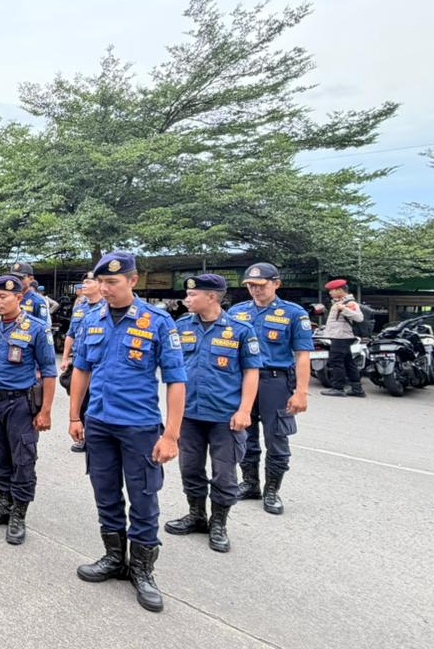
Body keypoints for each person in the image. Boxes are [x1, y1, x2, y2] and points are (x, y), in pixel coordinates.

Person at [69, 251, 186, 613]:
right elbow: (81, 370)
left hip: (139, 427)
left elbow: (176, 380)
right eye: (101, 282)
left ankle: (142, 569)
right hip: (100, 424)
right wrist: (75, 416)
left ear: (133, 281)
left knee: (144, 498)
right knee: (105, 493)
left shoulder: (158, 321)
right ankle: (114, 557)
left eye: (113, 283)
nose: (104, 289)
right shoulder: (92, 319)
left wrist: (171, 436)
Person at [164, 275, 261, 554]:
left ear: (212, 297)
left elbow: (251, 372)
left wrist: (244, 410)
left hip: (224, 415)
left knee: (224, 474)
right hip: (189, 414)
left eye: (193, 295)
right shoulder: (181, 326)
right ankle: (196, 515)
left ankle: (219, 523)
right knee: (190, 468)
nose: (187, 299)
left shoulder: (240, 330)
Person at [0, 274, 57, 545]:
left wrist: (45, 411)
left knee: (22, 459)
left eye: (3, 297)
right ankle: (4, 504)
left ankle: (19, 514)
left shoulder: (36, 328)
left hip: (20, 404)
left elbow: (48, 372)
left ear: (19, 298)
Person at [228, 262, 313, 516]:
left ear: (276, 284)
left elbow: (302, 355)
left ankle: (272, 490)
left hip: (275, 381)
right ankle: (250, 483)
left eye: (261, 285)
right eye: (251, 286)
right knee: (245, 434)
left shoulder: (294, 314)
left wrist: (301, 391)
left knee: (276, 438)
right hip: (243, 382)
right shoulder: (237, 312)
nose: (255, 290)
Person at [61, 271, 103, 453]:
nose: (83, 286)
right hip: (80, 361)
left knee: (97, 400)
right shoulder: (80, 308)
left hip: (98, 364)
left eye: (88, 282)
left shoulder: (107, 307)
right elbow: (71, 334)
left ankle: (97, 437)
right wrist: (65, 357)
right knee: (81, 400)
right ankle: (83, 436)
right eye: (83, 283)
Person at [321, 279, 366, 397]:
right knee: (348, 361)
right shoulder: (338, 302)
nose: (330, 293)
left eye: (332, 290)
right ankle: (357, 389)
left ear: (340, 290)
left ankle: (338, 388)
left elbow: (359, 318)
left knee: (336, 361)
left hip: (342, 336)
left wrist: (344, 309)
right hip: (339, 335)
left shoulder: (350, 303)